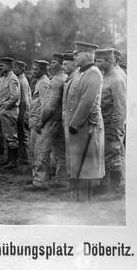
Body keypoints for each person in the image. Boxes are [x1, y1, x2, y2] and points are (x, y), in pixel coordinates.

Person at [63, 41, 105, 201]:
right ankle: (77, 198)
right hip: (78, 127)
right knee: (78, 163)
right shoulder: (81, 72)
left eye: (77, 54)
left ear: (87, 55)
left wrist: (74, 123)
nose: (75, 56)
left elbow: (87, 101)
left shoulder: (94, 73)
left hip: (87, 127)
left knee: (86, 165)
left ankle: (84, 201)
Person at [25, 53, 68, 191]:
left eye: (55, 62)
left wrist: (40, 121)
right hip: (60, 119)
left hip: (50, 120)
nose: (51, 65)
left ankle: (40, 181)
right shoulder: (62, 78)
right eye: (51, 62)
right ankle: (62, 179)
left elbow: (49, 105)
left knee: (40, 150)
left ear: (62, 65)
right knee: (60, 150)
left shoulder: (55, 80)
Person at [95, 48, 126, 194]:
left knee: (114, 155)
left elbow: (120, 108)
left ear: (109, 61)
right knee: (106, 155)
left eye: (99, 61)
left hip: (112, 125)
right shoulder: (105, 76)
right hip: (104, 124)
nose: (97, 64)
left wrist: (115, 130)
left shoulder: (117, 79)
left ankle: (117, 188)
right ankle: (107, 186)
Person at [27, 60, 50, 187]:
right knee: (33, 150)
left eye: (36, 69)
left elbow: (44, 105)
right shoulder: (39, 82)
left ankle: (40, 180)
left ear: (43, 70)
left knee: (38, 152)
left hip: (38, 122)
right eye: (33, 69)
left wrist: (40, 122)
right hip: (34, 120)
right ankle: (35, 177)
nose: (33, 71)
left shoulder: (44, 83)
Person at [0, 57, 21, 169]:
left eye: (3, 65)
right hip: (4, 111)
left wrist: (5, 107)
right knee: (7, 135)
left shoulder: (12, 78)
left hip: (9, 111)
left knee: (11, 136)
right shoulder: (5, 78)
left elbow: (15, 96)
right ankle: (9, 159)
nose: (1, 67)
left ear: (9, 66)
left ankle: (14, 161)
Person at [13, 60, 31, 165]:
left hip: (23, 110)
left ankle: (25, 158)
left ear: (22, 69)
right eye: (14, 68)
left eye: (16, 68)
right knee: (21, 134)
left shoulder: (21, 81)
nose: (14, 70)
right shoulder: (20, 79)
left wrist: (22, 114)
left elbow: (25, 100)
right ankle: (23, 156)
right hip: (22, 110)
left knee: (23, 134)